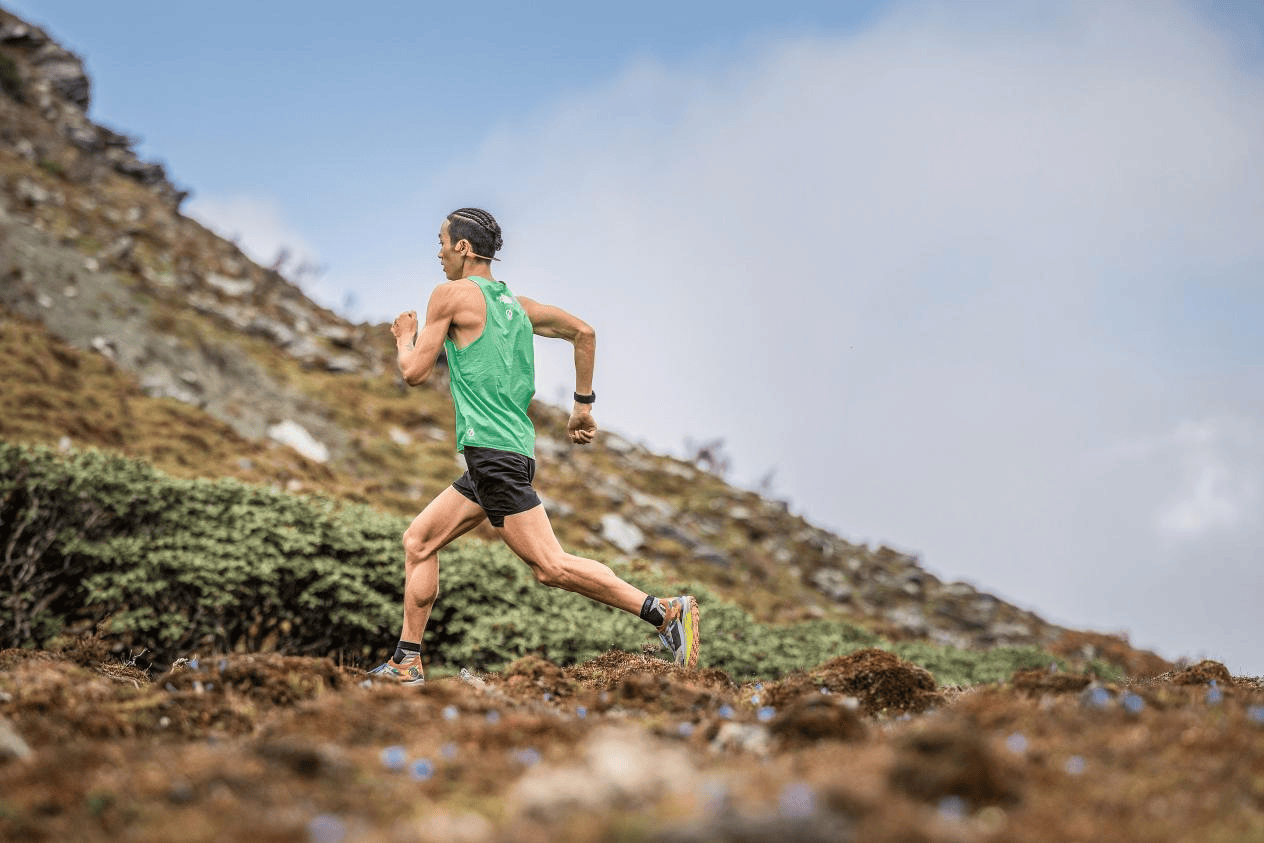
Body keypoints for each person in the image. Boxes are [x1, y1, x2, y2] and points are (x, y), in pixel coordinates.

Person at [369, 208, 699, 684]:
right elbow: (583, 332)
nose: (438, 252)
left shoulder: (450, 295)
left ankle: (664, 612)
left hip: (493, 457)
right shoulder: (517, 307)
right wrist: (582, 405)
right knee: (419, 541)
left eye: (442, 242)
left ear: (462, 248)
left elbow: (414, 373)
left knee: (551, 566)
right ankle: (406, 660)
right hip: (510, 454)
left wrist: (405, 338)